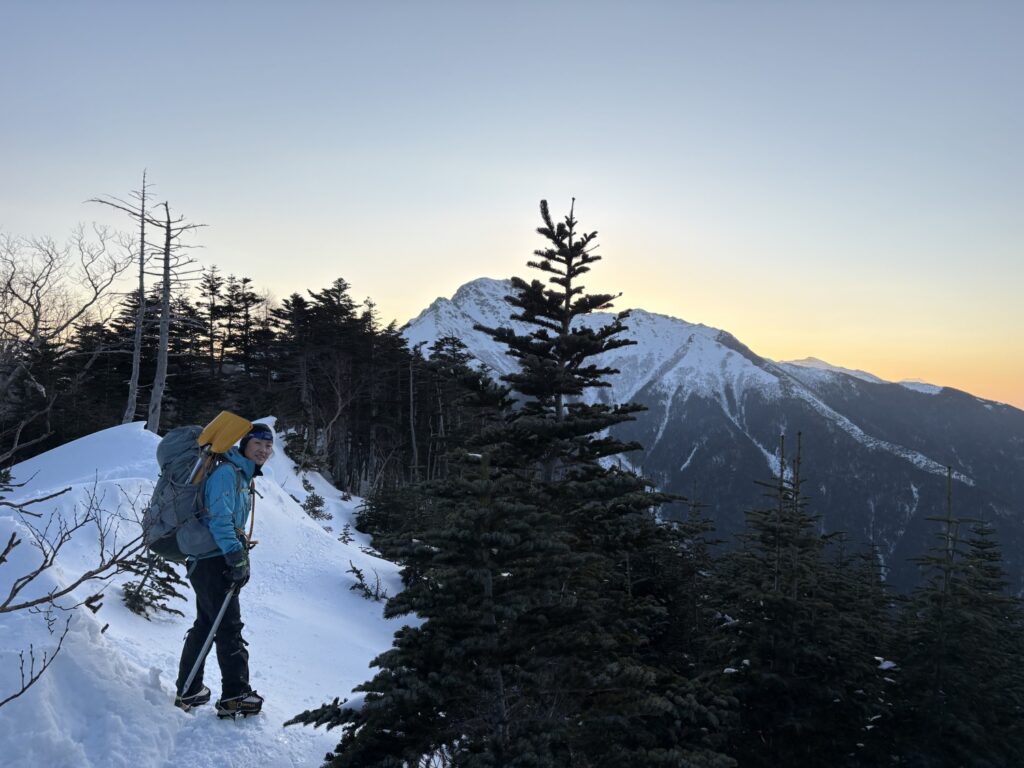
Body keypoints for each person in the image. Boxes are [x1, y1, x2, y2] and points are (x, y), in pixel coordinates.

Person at [174, 423, 274, 716]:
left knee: (207, 624)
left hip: (210, 557)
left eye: (269, 446)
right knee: (228, 627)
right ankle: (235, 696)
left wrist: (237, 553)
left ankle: (189, 690)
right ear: (244, 444)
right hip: (212, 558)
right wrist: (235, 556)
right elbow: (219, 519)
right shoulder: (227, 473)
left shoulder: (241, 476)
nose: (264, 451)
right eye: (258, 444)